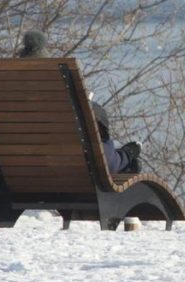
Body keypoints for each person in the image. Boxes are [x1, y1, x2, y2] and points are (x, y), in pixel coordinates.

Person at [16, 30, 141, 174]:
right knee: (100, 146)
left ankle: (124, 156)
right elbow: (107, 163)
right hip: (65, 170)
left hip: (17, 171)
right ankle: (125, 156)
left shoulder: (4, 101)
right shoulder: (60, 102)